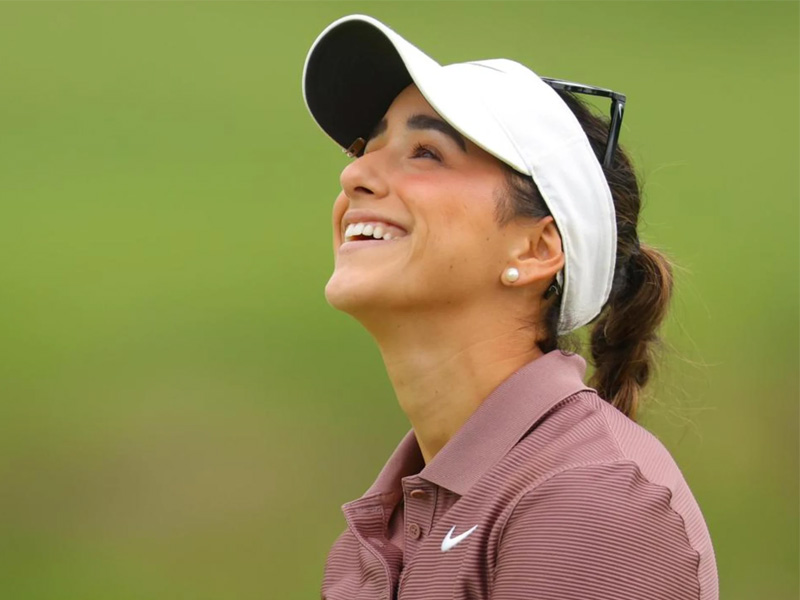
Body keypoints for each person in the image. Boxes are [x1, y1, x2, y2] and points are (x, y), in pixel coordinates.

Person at [302, 14, 718, 600]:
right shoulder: (389, 521)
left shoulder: (589, 502)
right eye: (366, 148)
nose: (355, 174)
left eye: (426, 152)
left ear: (537, 249)